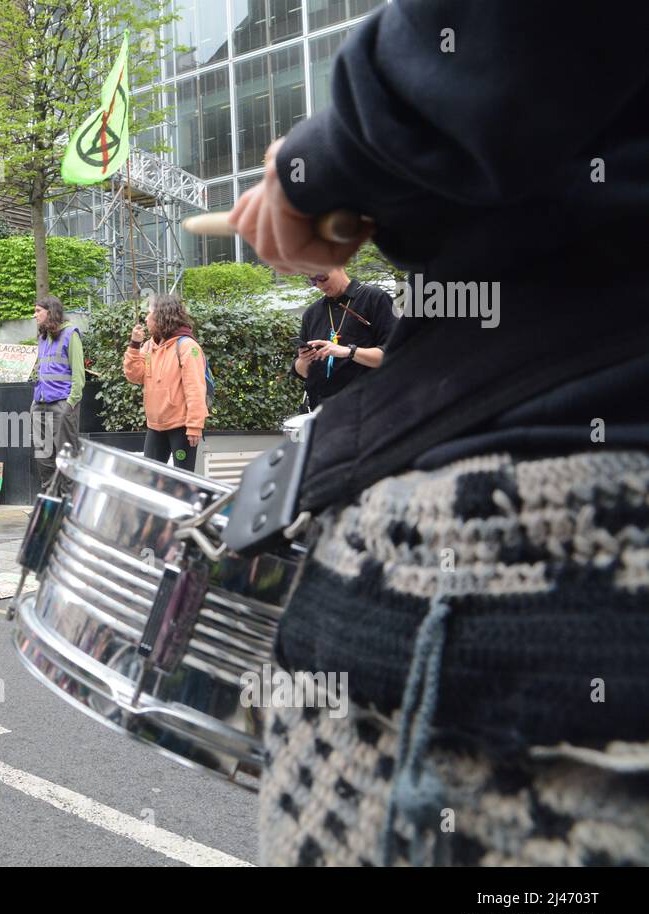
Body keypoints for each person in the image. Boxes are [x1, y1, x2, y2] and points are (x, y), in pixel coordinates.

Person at [223, 0, 649, 866]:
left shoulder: (369, 300)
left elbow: (514, 46)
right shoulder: (319, 302)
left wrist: (319, 165)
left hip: (550, 499)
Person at [122, 295, 207, 472]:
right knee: (150, 479)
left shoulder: (187, 346)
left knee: (182, 482)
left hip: (182, 428)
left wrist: (195, 426)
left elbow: (196, 389)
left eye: (149, 313)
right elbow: (134, 376)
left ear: (162, 315)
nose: (145, 318)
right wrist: (134, 344)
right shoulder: (148, 346)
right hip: (155, 426)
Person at [292, 267, 395, 412]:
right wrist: (303, 361)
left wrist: (349, 351)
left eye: (322, 277)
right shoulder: (311, 313)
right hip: (321, 411)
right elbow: (300, 371)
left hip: (366, 409)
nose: (319, 285)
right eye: (313, 280)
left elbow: (393, 354)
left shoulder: (374, 298)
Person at [30, 295, 84, 492]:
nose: (34, 315)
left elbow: (79, 375)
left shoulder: (71, 334)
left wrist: (70, 403)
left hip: (62, 404)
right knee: (43, 457)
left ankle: (68, 507)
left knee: (66, 457)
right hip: (40, 403)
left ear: (50, 312)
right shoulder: (43, 338)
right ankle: (49, 504)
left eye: (38, 311)